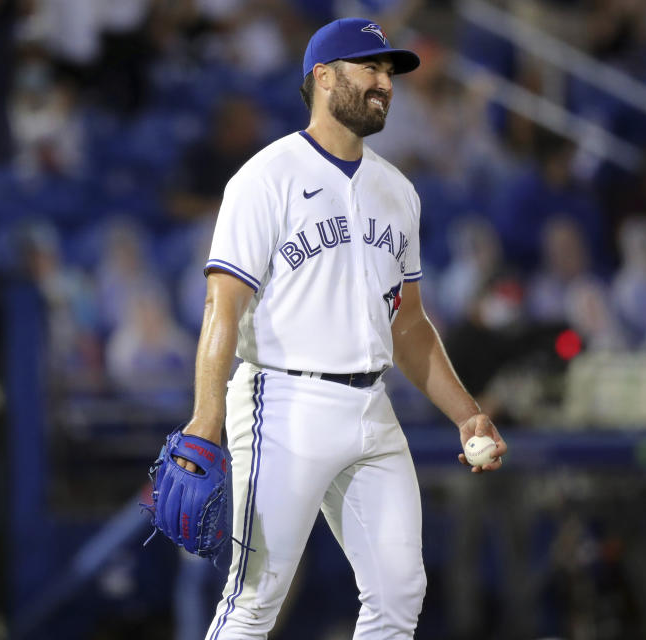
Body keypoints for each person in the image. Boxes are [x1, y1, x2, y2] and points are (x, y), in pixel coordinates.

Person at [172, 18, 508, 639]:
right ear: (323, 78)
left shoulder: (398, 191)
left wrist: (466, 413)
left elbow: (408, 324)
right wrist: (206, 416)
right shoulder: (263, 179)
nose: (384, 82)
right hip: (284, 400)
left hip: (372, 405)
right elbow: (222, 308)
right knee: (254, 601)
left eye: (389, 71)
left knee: (400, 592)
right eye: (370, 68)